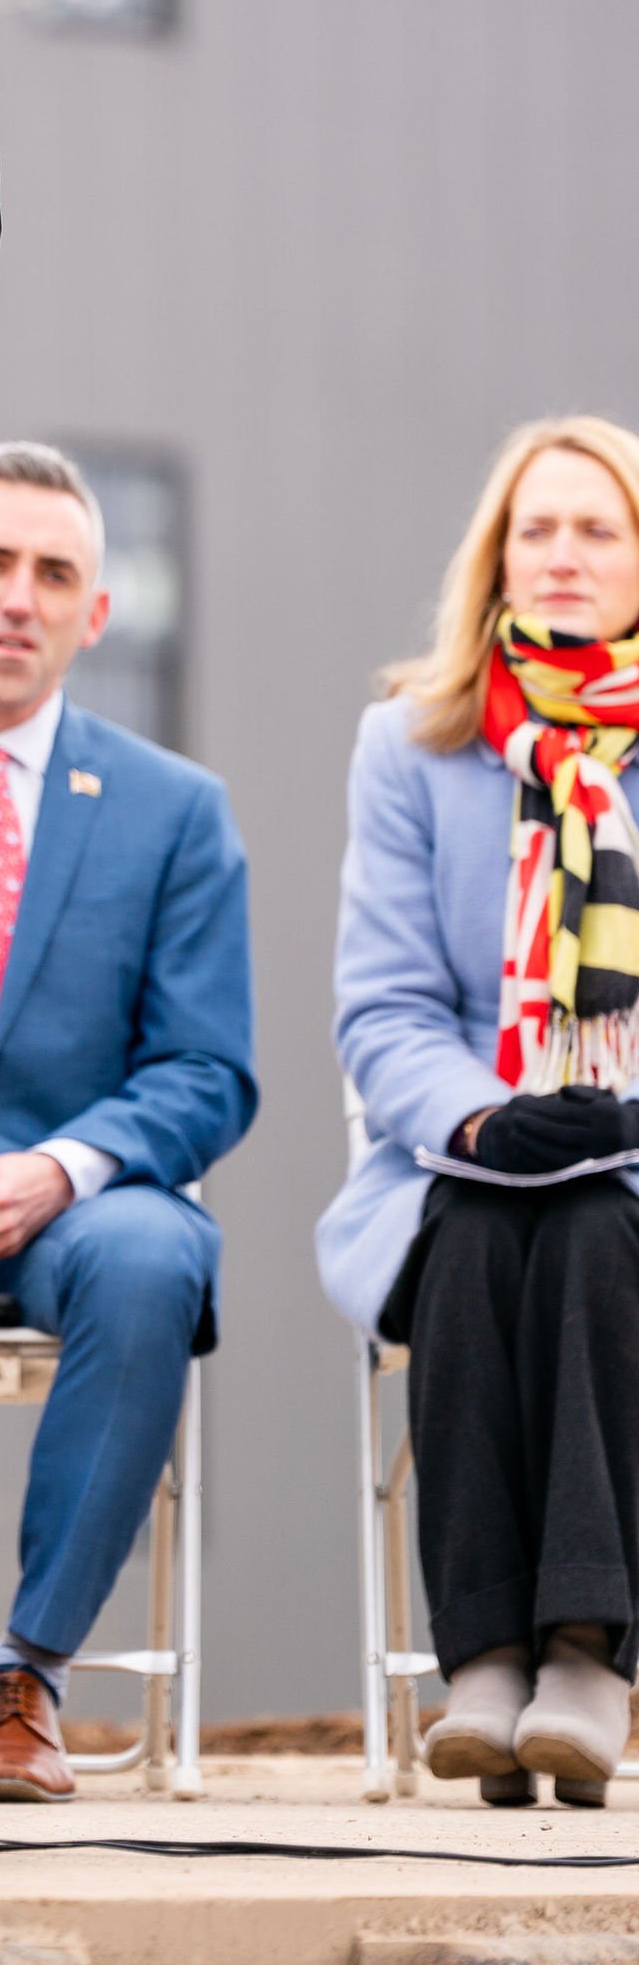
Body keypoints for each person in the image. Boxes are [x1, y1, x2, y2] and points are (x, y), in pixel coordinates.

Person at [321, 417, 639, 1805]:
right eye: (537, 529)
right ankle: (486, 1664)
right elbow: (382, 1007)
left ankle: (585, 1655)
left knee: (584, 1233)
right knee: (469, 1240)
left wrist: (612, 1113)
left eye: (598, 530)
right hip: (456, 1153)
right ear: (496, 560)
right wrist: (472, 1121)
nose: (563, 556)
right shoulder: (414, 741)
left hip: (628, 1169)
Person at [0, 442, 256, 1801]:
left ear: (96, 613)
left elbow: (207, 1069)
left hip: (77, 1210)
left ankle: (26, 1675)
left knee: (154, 1257)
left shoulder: (175, 811)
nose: (21, 597)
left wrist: (57, 1171)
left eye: (55, 572)